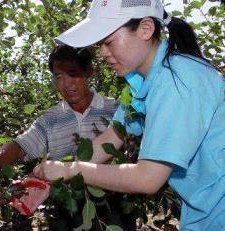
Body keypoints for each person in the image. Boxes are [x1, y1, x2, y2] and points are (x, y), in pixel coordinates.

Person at [33, 0, 225, 230]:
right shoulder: (141, 84)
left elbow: (147, 178)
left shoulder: (179, 80)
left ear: (145, 29)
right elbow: (110, 138)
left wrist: (68, 170)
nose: (102, 52)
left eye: (109, 41)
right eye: (100, 44)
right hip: (204, 211)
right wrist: (50, 179)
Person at [0, 45, 120, 229]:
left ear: (89, 71)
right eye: (59, 77)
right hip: (66, 212)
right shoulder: (50, 119)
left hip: (114, 210)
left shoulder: (115, 111)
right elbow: (21, 146)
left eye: (73, 74)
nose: (67, 84)